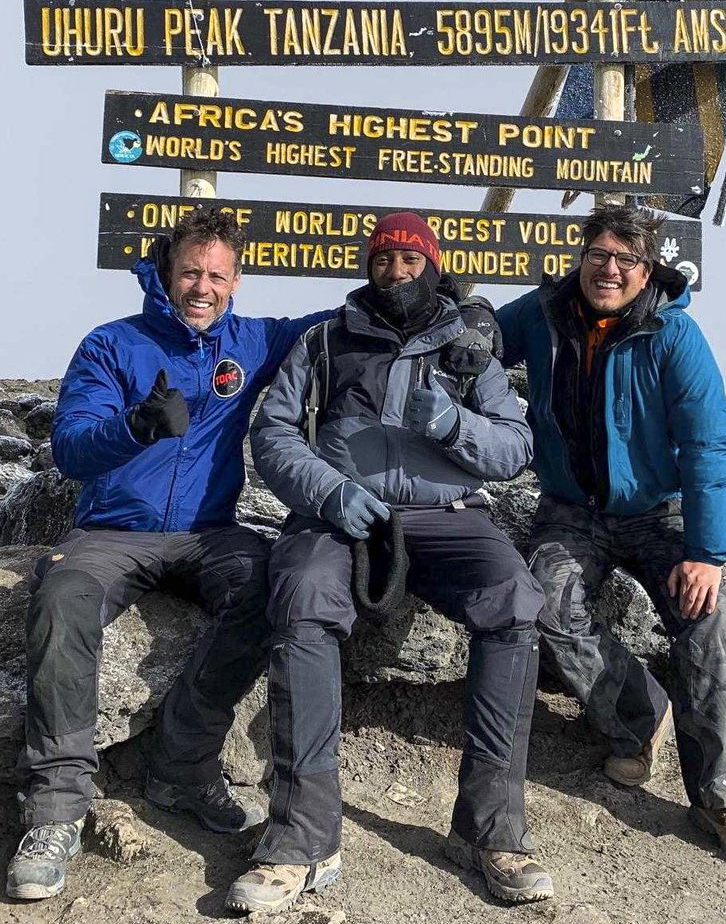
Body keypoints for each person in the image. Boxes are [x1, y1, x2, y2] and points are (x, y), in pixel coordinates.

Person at [226, 212, 552, 914]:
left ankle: (489, 831)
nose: (396, 271)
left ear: (431, 265)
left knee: (516, 599)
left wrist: (452, 424)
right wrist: (328, 490)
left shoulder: (471, 350)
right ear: (368, 266)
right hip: (338, 512)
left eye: (410, 259)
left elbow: (515, 447)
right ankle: (302, 840)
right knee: (304, 597)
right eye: (384, 259)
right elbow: (274, 429)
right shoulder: (324, 340)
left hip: (449, 516)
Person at [6, 206, 331, 901]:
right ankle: (57, 809)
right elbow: (70, 449)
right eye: (191, 272)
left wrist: (419, 302)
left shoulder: (250, 341)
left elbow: (332, 327)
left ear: (235, 281)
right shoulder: (110, 345)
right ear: (166, 271)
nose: (203, 287)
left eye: (217, 275)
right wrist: (136, 425)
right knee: (62, 597)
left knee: (268, 586)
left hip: (209, 533)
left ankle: (181, 767)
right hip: (112, 533)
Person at [497, 204, 726, 866]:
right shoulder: (542, 313)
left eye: (627, 260)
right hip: (572, 507)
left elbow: (708, 442)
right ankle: (637, 718)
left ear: (648, 270)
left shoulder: (674, 335)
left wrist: (708, 555)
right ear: (581, 258)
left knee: (707, 617)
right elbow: (475, 334)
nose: (610, 270)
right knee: (545, 599)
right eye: (600, 255)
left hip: (660, 507)